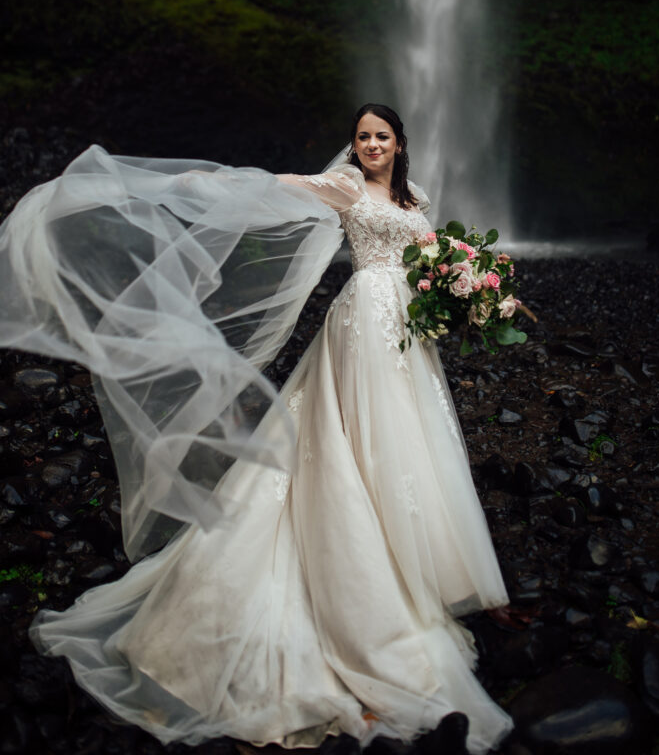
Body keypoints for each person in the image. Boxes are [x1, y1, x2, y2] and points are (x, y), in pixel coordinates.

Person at [0, 103, 512, 753]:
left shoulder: (416, 196)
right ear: (353, 145)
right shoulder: (345, 187)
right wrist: (201, 186)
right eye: (362, 137)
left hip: (409, 333)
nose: (371, 144)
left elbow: (429, 252)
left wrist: (469, 285)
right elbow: (274, 188)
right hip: (361, 321)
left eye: (380, 135)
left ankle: (408, 559)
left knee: (407, 438)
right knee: (348, 433)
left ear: (399, 142)